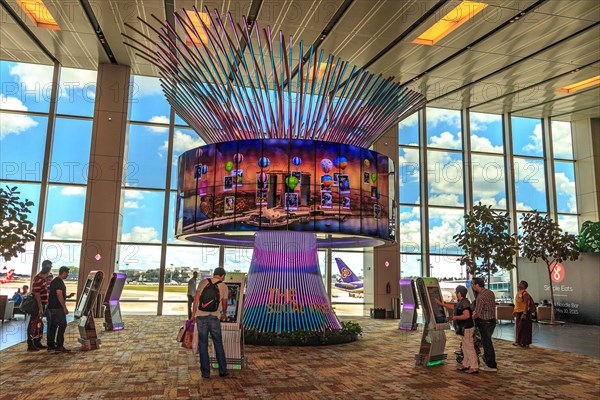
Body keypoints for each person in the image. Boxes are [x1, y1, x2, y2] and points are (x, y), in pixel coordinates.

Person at [192, 267, 229, 379]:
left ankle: (205, 373)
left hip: (201, 317)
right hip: (214, 317)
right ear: (222, 276)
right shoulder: (223, 286)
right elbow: (224, 303)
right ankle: (222, 370)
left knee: (203, 344)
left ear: (214, 274)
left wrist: (193, 315)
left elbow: (196, 301)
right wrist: (224, 314)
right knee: (218, 343)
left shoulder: (203, 282)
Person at [435, 285, 478, 374]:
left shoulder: (464, 303)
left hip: (467, 327)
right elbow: (453, 307)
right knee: (465, 346)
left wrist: (456, 317)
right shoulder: (462, 302)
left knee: (469, 346)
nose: (455, 294)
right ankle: (466, 364)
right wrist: (441, 304)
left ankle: (474, 366)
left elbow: (466, 315)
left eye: (456, 292)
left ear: (459, 293)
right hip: (464, 328)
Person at [471, 277, 497, 371]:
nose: (472, 286)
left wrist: (469, 319)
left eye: (473, 284)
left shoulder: (480, 297)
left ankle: (491, 365)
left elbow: (477, 313)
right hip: (492, 321)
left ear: (477, 285)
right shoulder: (490, 292)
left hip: (484, 322)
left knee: (487, 344)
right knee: (487, 342)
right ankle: (489, 362)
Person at [47, 267, 72, 352]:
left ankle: (50, 344)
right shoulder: (58, 282)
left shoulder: (55, 281)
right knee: (62, 325)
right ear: (64, 272)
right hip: (57, 307)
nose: (67, 275)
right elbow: (59, 294)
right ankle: (59, 345)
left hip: (52, 307)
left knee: (53, 326)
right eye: (67, 273)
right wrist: (64, 307)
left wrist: (67, 296)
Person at [28, 262, 52, 351]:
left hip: (44, 304)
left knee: (39, 323)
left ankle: (37, 341)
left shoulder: (45, 279)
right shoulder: (38, 279)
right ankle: (30, 343)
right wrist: (40, 307)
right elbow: (36, 294)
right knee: (33, 323)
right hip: (38, 305)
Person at [513, 280, 533, 349]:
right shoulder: (519, 292)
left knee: (523, 327)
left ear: (523, 285)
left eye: (520, 283)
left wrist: (524, 313)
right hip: (518, 312)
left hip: (523, 313)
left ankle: (524, 342)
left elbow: (526, 304)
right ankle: (519, 341)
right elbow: (518, 304)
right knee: (519, 327)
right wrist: (515, 312)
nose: (518, 284)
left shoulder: (525, 293)